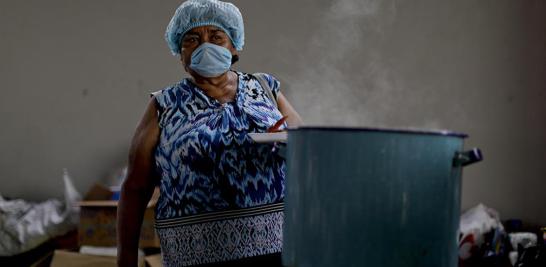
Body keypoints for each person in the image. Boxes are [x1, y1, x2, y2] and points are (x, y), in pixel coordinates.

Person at [117, 0, 303, 266]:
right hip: (196, 255)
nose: (205, 45)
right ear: (179, 52)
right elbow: (135, 188)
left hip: (279, 248)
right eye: (192, 39)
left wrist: (290, 146)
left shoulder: (265, 88)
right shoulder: (164, 105)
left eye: (217, 37)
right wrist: (125, 258)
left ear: (234, 46)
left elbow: (307, 149)